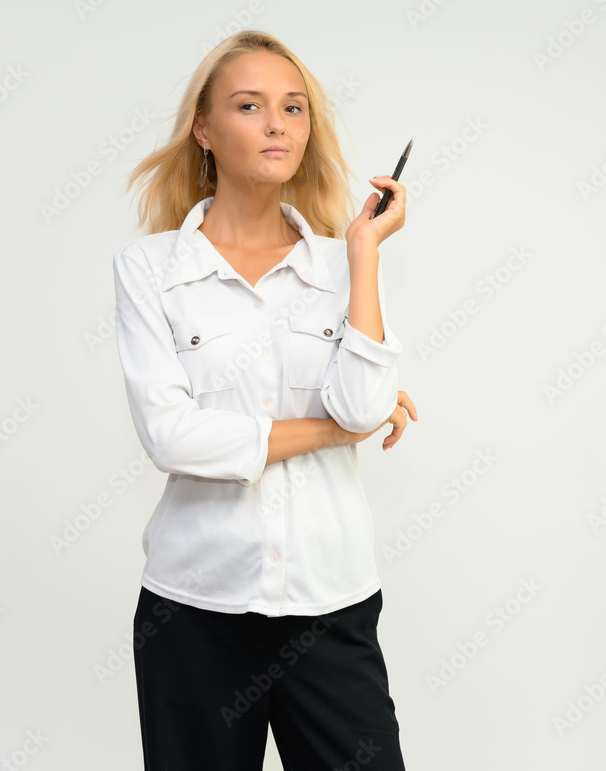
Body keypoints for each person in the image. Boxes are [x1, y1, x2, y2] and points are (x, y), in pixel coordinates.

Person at [111, 28, 416, 770]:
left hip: (330, 600)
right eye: (249, 106)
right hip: (195, 609)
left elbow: (362, 406)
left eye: (293, 107)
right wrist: (331, 430)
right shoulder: (150, 268)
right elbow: (173, 438)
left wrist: (364, 254)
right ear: (204, 129)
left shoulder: (342, 264)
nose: (277, 124)